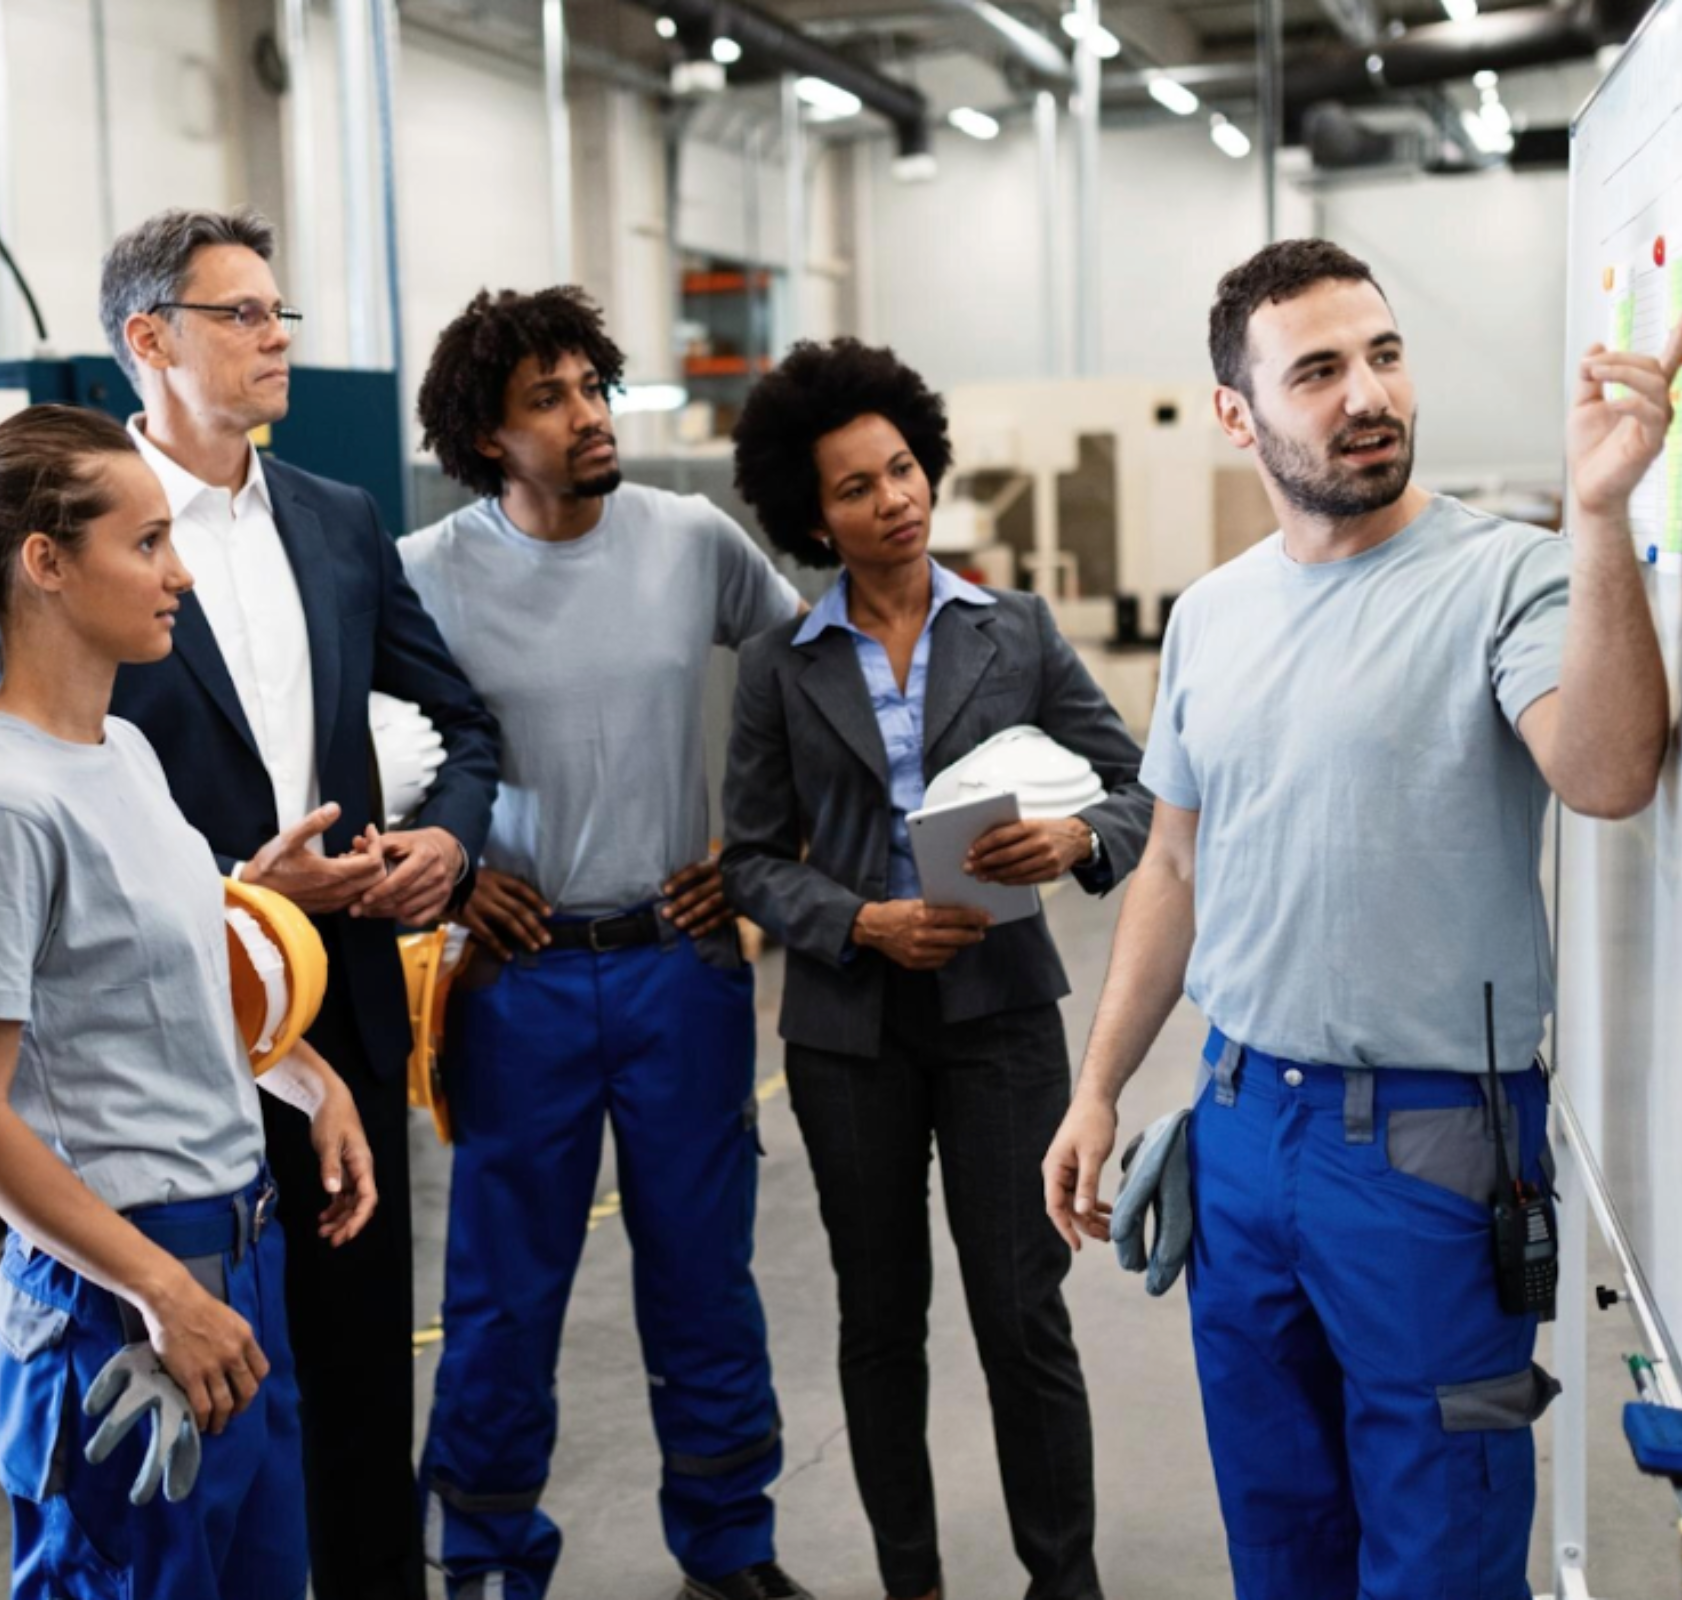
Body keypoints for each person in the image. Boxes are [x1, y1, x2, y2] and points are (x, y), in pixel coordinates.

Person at [1042, 239, 1682, 1600]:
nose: (1369, 396)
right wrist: (1098, 1085)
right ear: (1240, 413)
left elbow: (1611, 772)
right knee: (1280, 1537)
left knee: (1440, 1546)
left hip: (1433, 1145)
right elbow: (1168, 866)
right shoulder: (1212, 616)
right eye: (1321, 370)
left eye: (1385, 356)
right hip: (1238, 1129)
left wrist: (1601, 521)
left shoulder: (1506, 579)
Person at [0, 403, 377, 1599]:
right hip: (125, 1296)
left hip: (231, 1265)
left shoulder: (124, 756)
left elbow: (188, 966)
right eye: (147, 542)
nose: (180, 571)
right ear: (44, 564)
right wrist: (160, 1290)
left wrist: (315, 1082)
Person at [97, 207, 500, 1600]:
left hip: (347, 1016)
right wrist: (227, 896)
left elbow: (463, 719)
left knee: (354, 1388)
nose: (279, 340)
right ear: (150, 341)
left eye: (282, 314)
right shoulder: (81, 528)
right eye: (243, 316)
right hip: (163, 1036)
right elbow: (54, 772)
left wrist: (444, 847)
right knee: (199, 1408)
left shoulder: (335, 520)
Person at [722, 337, 1152, 1600]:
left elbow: (1136, 787)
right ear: (816, 515)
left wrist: (1078, 838)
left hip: (1002, 1016)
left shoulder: (1011, 632)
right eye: (856, 487)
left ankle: (1061, 1583)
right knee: (880, 1322)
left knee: (1024, 1313)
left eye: (901, 469)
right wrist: (864, 922)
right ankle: (911, 1582)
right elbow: (749, 860)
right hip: (850, 1032)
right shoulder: (779, 667)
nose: (892, 499)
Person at [400, 286, 810, 1600]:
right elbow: (365, 753)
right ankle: (486, 1564)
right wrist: (456, 880)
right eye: (550, 398)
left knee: (705, 1282)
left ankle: (731, 1555)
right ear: (484, 439)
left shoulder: (690, 539)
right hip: (514, 986)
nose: (587, 416)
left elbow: (812, 679)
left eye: (592, 387)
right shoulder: (424, 576)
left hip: (679, 969)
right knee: (504, 1301)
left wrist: (761, 861)